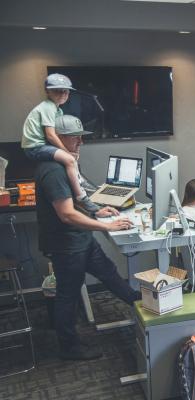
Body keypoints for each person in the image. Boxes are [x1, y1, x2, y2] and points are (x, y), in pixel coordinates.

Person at [35, 114, 140, 361]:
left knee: (109, 272)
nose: (81, 142)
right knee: (68, 295)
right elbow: (67, 214)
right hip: (67, 244)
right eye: (76, 138)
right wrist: (108, 227)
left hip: (80, 239)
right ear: (58, 139)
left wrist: (96, 210)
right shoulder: (53, 171)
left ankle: (139, 305)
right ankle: (70, 348)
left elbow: (77, 201)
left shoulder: (66, 164)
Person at [22, 73, 99, 213]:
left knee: (72, 159)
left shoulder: (58, 110)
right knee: (69, 159)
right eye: (58, 90)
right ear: (47, 91)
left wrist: (72, 153)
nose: (63, 93)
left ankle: (80, 181)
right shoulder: (47, 107)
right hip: (35, 147)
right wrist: (66, 152)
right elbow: (51, 135)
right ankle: (82, 197)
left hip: (42, 145)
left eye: (66, 90)